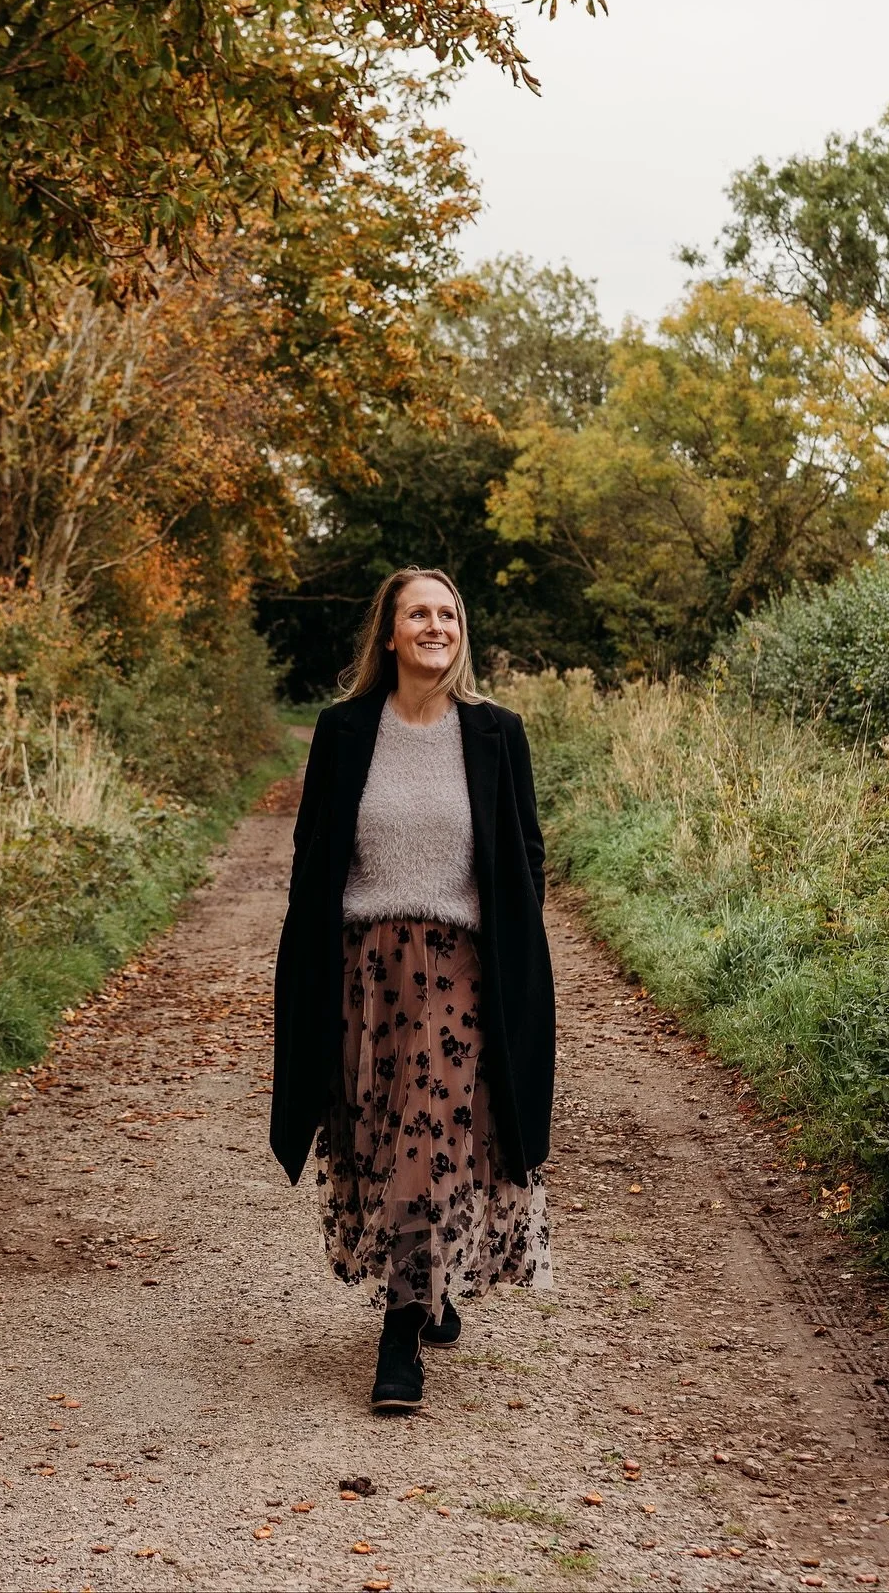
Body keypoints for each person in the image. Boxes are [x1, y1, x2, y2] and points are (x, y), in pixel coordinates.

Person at [271, 566, 554, 1412]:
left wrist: (509, 950)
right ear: (389, 635)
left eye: (448, 614)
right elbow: (314, 855)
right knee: (380, 1138)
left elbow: (526, 856)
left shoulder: (497, 734)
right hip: (366, 972)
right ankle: (431, 1285)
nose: (436, 626)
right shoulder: (345, 730)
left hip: (462, 971)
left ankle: (400, 1337)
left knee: (431, 1138)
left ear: (461, 632)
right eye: (418, 615)